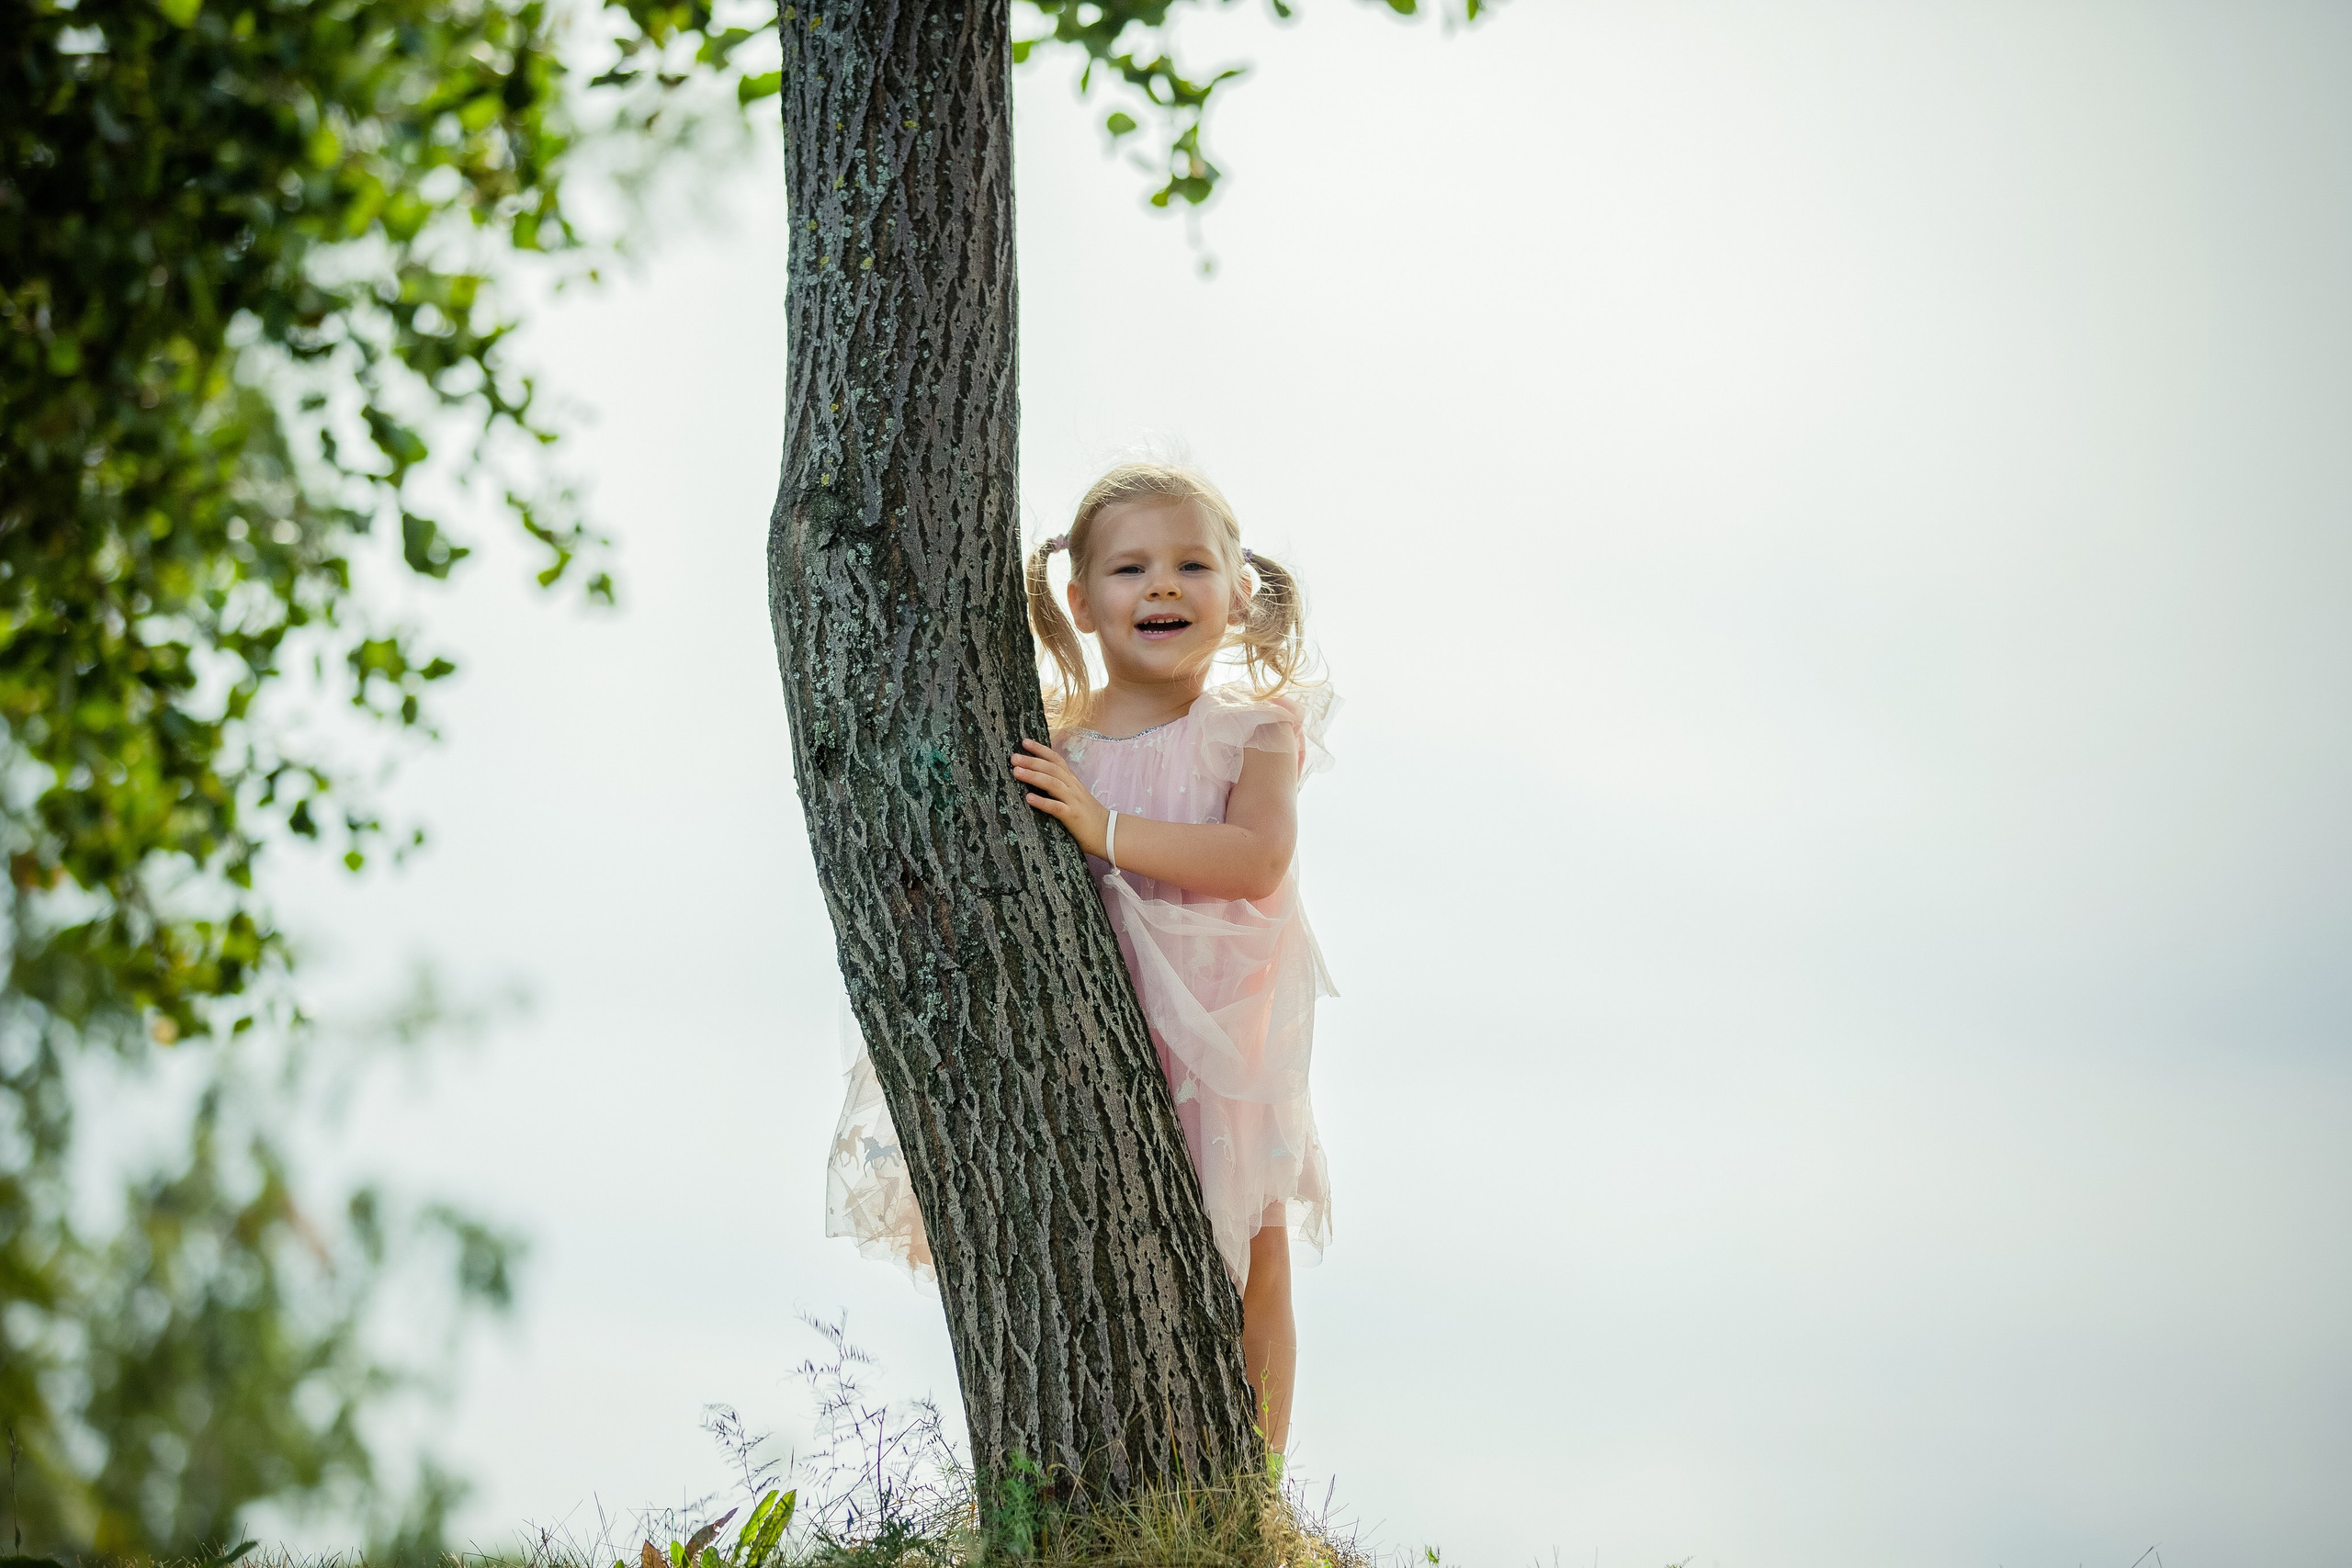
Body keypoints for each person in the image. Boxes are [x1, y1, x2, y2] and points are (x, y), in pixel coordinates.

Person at [825, 460, 1337, 1461]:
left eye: (1193, 565)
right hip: (1095, 1018)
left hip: (1221, 1027)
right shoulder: (1054, 740)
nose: (1160, 587)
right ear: (1081, 599)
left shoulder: (1250, 733)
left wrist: (1103, 826)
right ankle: (1069, 1460)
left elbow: (1255, 859)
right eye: (1130, 568)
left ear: (1238, 593)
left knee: (1253, 1250)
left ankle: (1253, 1497)